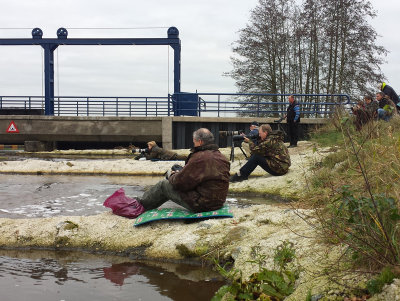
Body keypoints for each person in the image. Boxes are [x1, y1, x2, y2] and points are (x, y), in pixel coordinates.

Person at [139, 128, 230, 213]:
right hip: (217, 202)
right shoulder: (222, 157)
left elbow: (180, 183)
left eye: (194, 142)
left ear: (200, 142)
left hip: (203, 204)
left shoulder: (199, 158)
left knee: (163, 185)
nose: (193, 144)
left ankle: (141, 206)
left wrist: (172, 176)